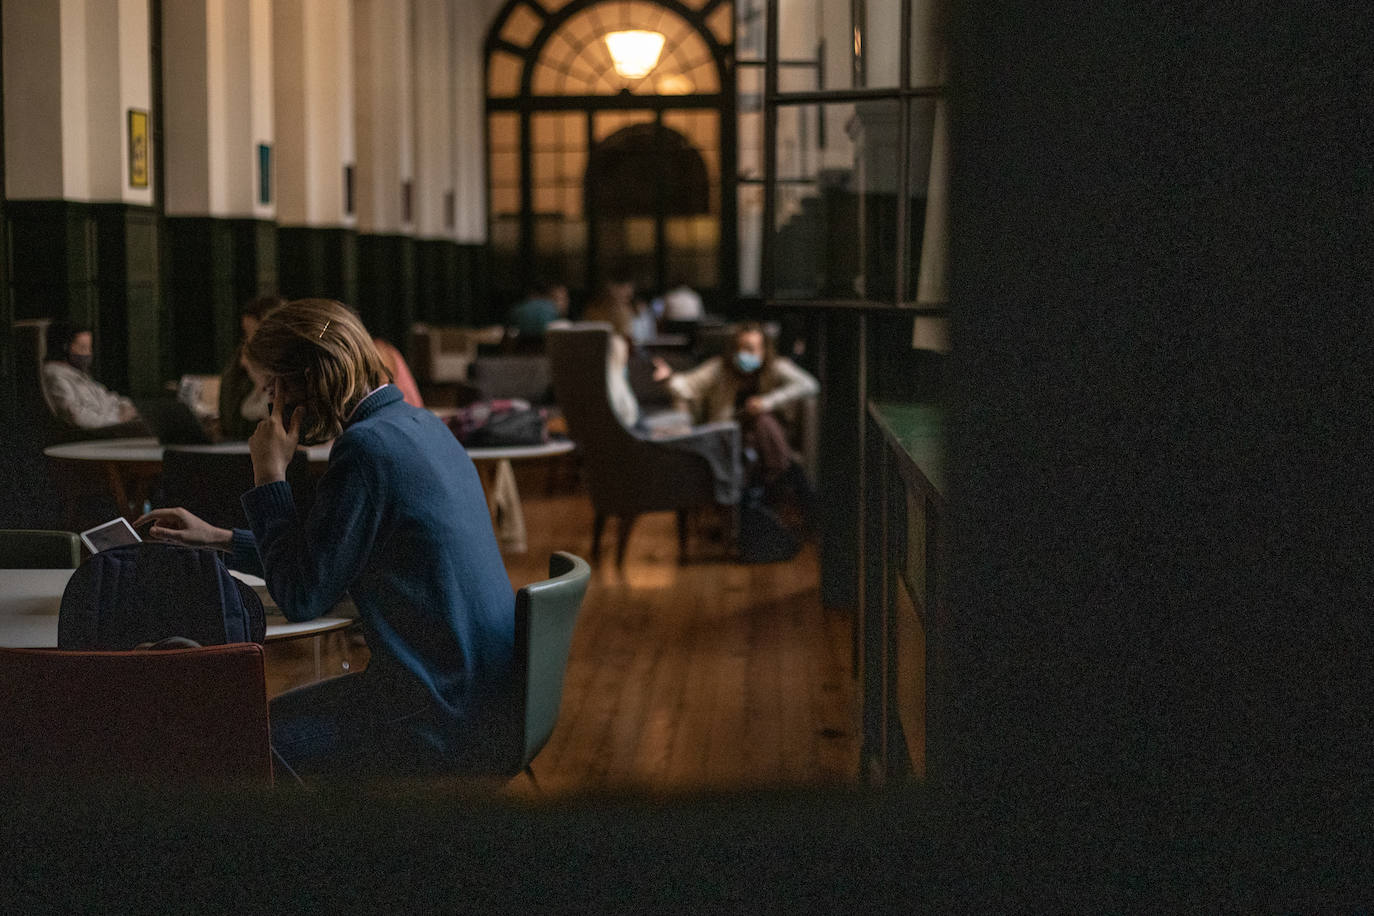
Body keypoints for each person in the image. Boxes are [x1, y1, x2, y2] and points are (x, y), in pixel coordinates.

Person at [136, 299, 518, 782]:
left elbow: (302, 595)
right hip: (484, 694)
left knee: (245, 739)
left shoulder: (365, 448)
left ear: (309, 378)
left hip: (436, 710)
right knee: (257, 725)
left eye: (273, 386)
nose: (271, 404)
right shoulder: (417, 425)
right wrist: (219, 538)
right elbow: (331, 560)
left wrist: (269, 475)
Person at [657, 322, 818, 489]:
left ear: (763, 351)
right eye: (739, 348)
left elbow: (809, 385)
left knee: (763, 421)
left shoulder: (774, 367)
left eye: (750, 349)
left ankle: (771, 483)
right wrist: (668, 378)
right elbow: (687, 385)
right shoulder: (719, 368)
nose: (743, 354)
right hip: (728, 433)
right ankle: (782, 480)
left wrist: (766, 402)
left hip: (763, 435)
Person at [41, 321, 142, 430]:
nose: (88, 353)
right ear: (65, 348)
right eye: (83, 348)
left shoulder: (79, 374)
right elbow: (76, 416)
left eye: (90, 348)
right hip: (92, 437)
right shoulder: (55, 375)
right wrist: (117, 418)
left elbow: (107, 398)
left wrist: (126, 406)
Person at [218, 295, 284, 439]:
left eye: (255, 335)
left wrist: (261, 381)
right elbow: (232, 424)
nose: (248, 342)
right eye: (246, 335)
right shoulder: (241, 363)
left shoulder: (291, 367)